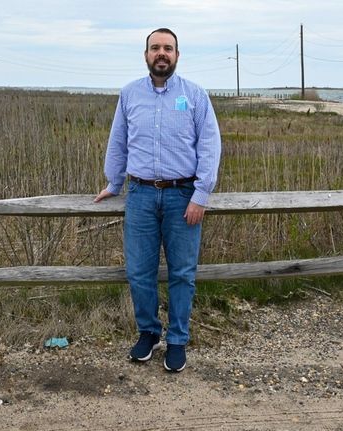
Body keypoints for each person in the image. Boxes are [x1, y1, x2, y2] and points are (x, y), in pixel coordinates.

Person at [94, 28, 221, 372]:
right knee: (139, 272)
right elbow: (118, 141)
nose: (161, 53)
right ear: (146, 54)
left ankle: (178, 340)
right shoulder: (129, 94)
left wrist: (201, 194)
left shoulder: (195, 96)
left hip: (183, 197)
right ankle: (148, 333)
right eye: (155, 48)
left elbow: (210, 146)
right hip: (141, 195)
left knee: (182, 273)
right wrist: (114, 181)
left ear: (177, 55)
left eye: (168, 48)